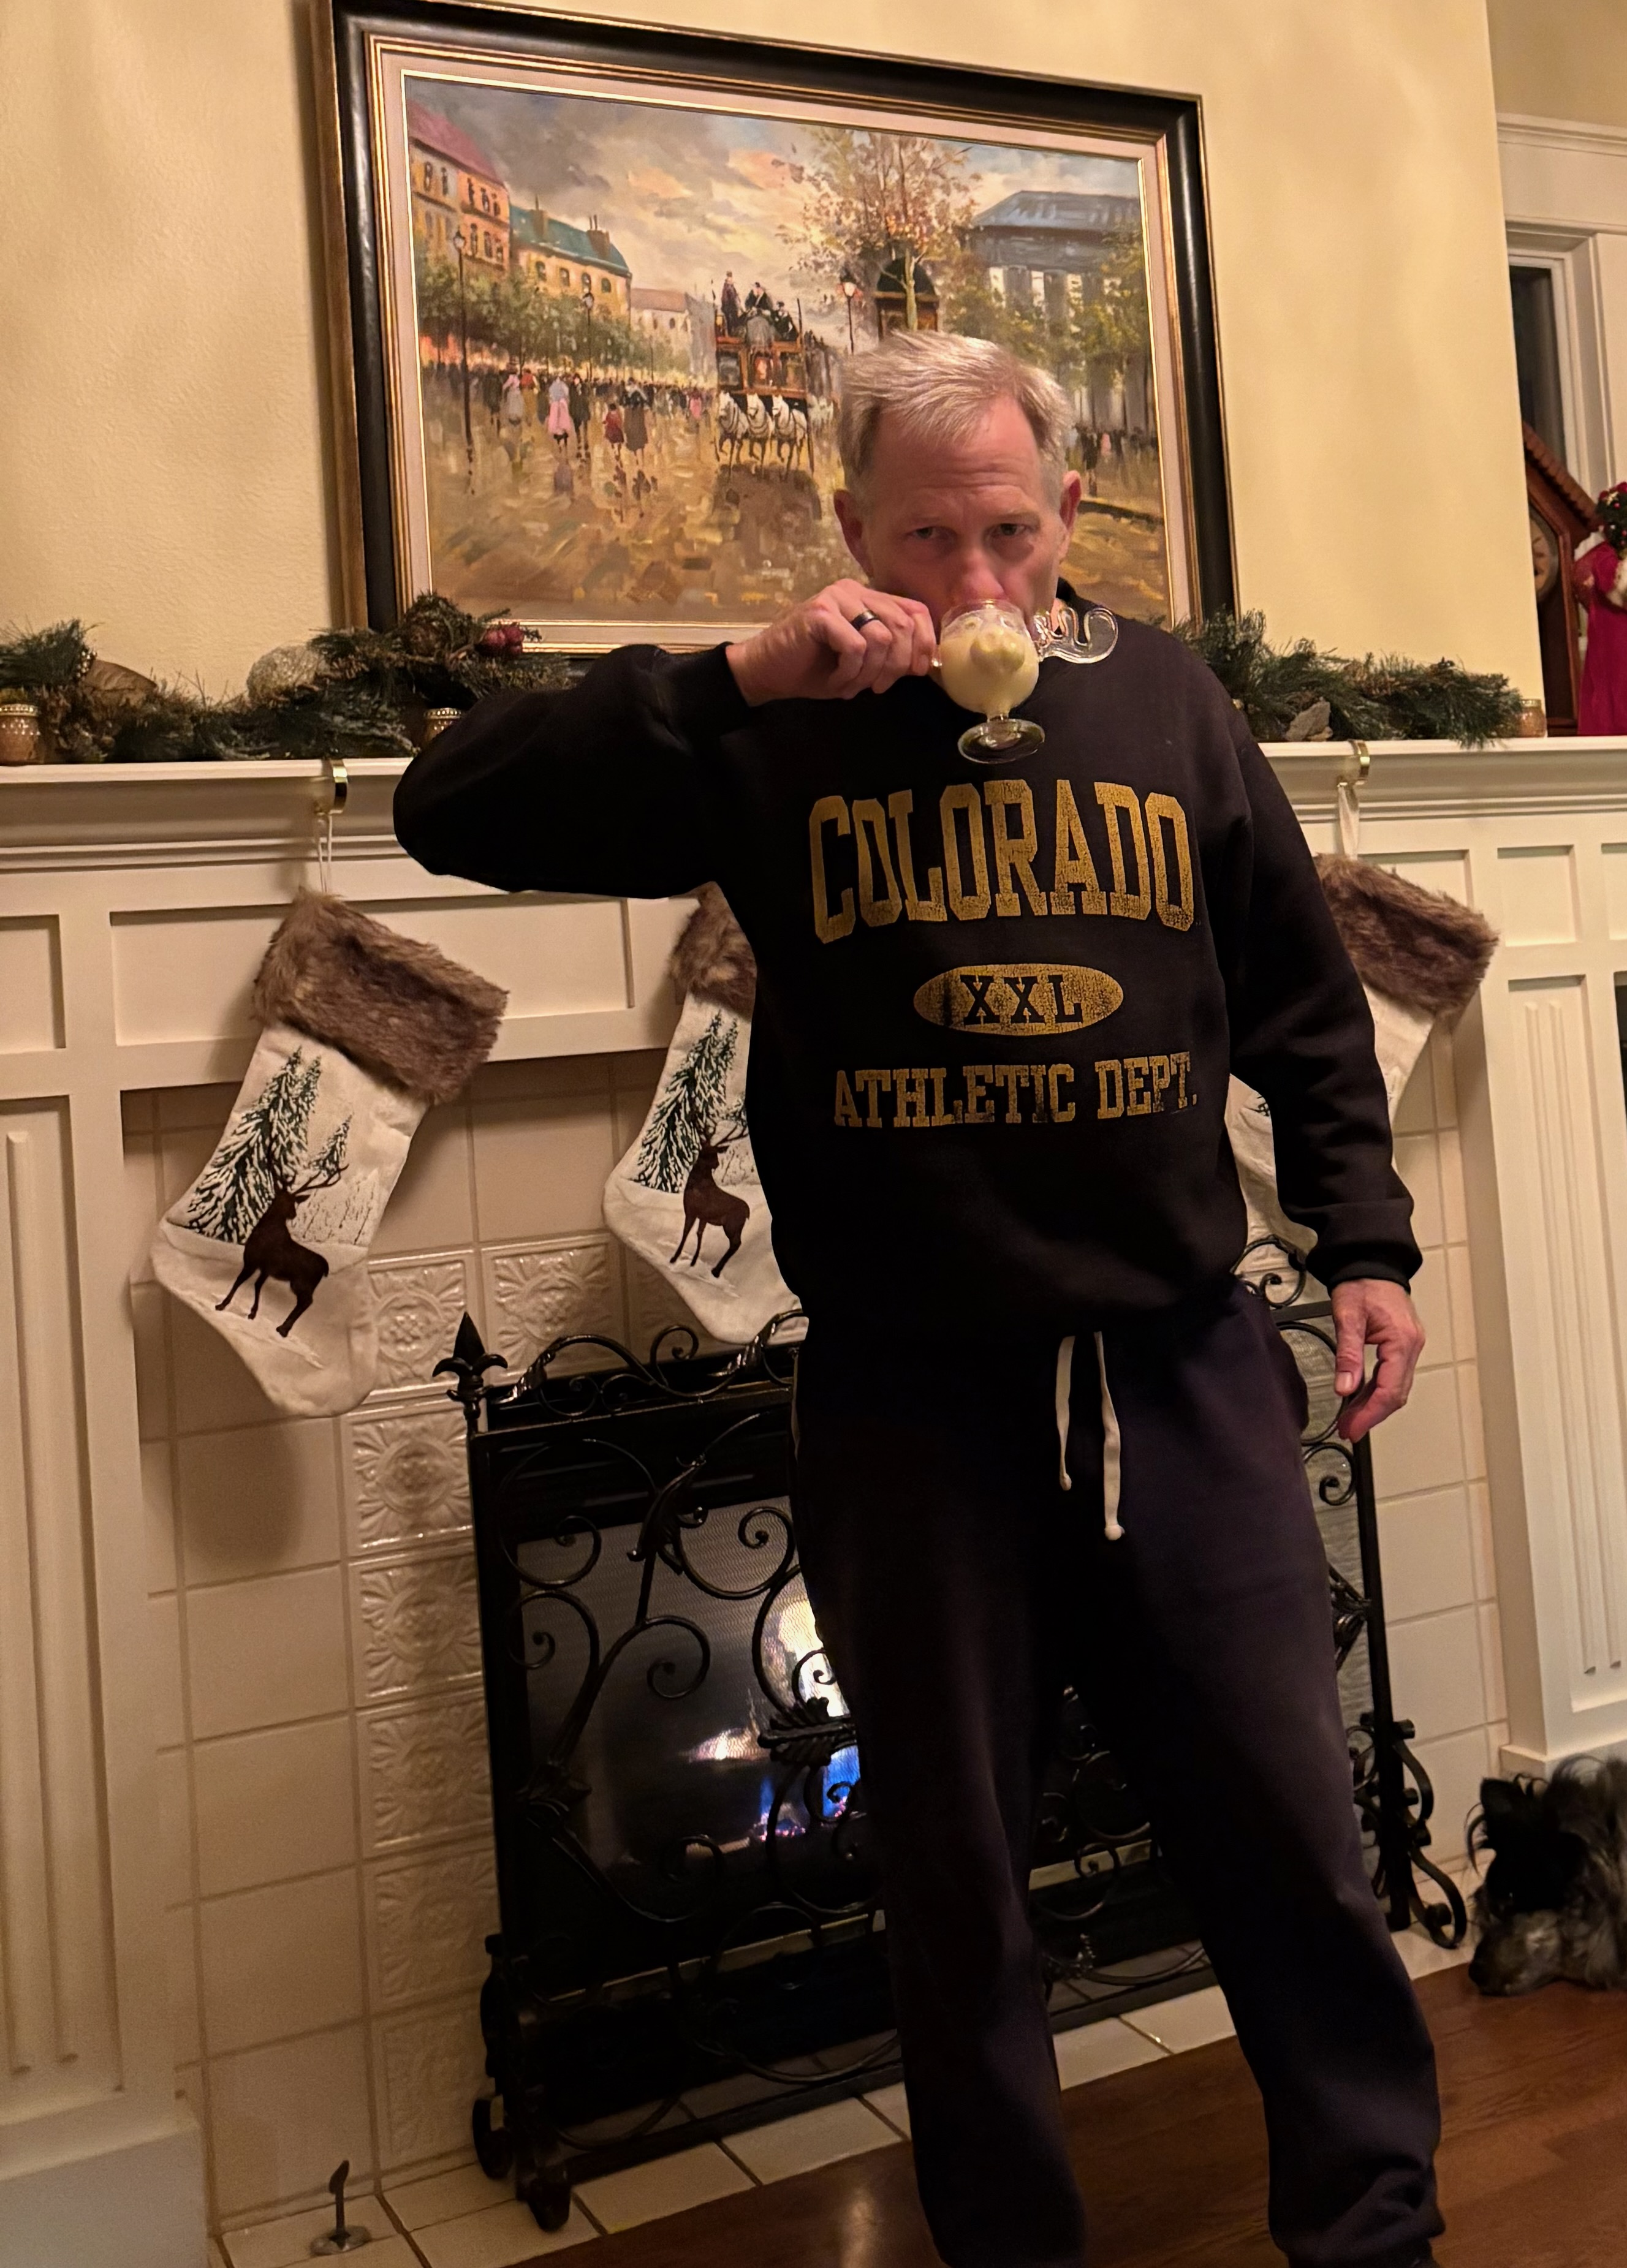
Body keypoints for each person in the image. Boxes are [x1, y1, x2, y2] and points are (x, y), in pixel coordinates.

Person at [393, 331, 1441, 2268]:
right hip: (910, 1405)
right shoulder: (780, 719)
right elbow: (449, 808)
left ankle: (1374, 2235)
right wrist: (742, 674)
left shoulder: (1173, 702)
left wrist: (1364, 1244)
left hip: (1180, 1377)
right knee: (957, 1901)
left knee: (1299, 1850)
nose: (976, 584)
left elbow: (1303, 1003)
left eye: (1011, 534)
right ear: (849, 524)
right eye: (928, 539)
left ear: (1069, 512)